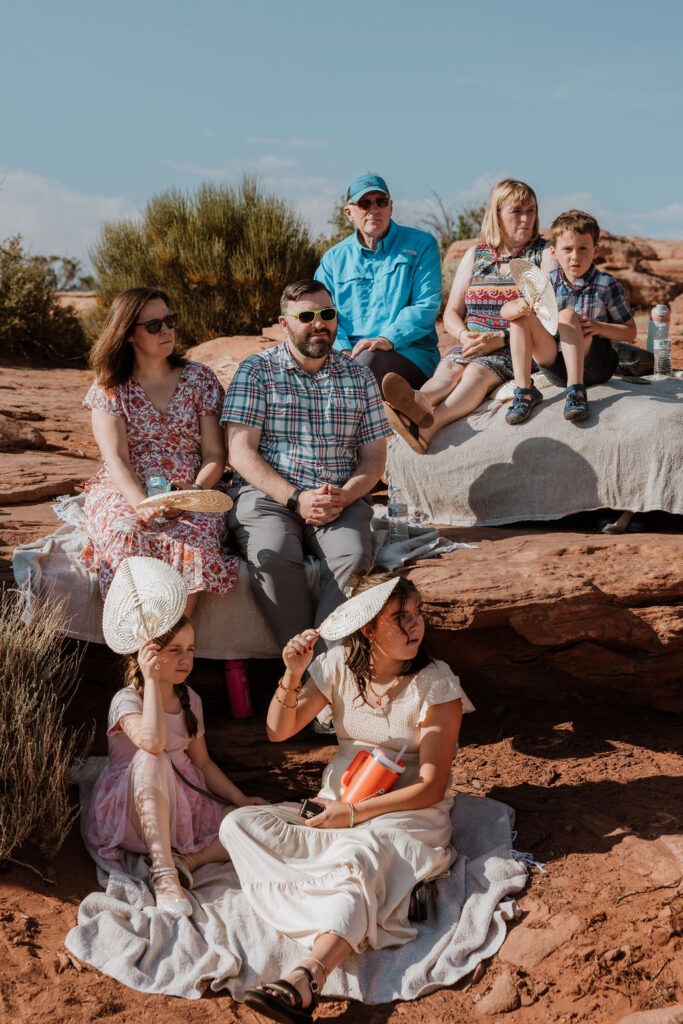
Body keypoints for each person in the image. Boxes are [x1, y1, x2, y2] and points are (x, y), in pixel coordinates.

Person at [220, 573, 474, 1022]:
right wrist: (293, 673)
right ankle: (380, 894)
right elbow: (279, 730)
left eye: (416, 615)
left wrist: (353, 814)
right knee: (238, 825)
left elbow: (433, 785)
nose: (414, 627)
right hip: (336, 803)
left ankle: (306, 977)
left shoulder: (436, 683)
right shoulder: (337, 665)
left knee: (360, 854)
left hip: (404, 811)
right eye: (400, 619)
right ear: (367, 629)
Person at [221, 279, 393, 651]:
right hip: (269, 495)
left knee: (354, 556)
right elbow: (240, 452)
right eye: (307, 316)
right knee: (275, 557)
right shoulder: (257, 371)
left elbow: (375, 456)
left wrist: (345, 496)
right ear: (284, 324)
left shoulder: (359, 375)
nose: (320, 323)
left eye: (327, 314)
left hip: (337, 497)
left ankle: (314, 673)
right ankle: (315, 674)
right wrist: (297, 498)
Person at [84, 614, 266, 914]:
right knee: (152, 756)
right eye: (174, 650)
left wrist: (239, 799)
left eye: (191, 649)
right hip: (133, 816)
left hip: (182, 815)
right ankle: (164, 872)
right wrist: (152, 681)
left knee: (247, 822)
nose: (186, 659)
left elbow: (203, 764)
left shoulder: (190, 699)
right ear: (147, 654)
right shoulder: (126, 700)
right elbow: (153, 743)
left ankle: (189, 861)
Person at [82, 287, 238, 613]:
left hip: (192, 488)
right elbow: (115, 458)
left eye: (170, 321)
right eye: (154, 326)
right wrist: (141, 505)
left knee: (194, 547)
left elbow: (214, 456)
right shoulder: (110, 386)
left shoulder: (200, 379)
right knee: (125, 539)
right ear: (128, 335)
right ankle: (140, 648)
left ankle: (171, 646)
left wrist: (193, 493)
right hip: (128, 490)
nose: (166, 331)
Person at [381, 179, 555, 452]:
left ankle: (430, 425)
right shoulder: (477, 254)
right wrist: (463, 334)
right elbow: (451, 312)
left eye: (531, 210)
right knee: (449, 368)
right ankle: (416, 402)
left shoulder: (543, 254)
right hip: (472, 342)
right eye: (517, 211)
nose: (526, 218)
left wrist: (499, 339)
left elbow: (548, 316)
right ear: (497, 215)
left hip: (517, 346)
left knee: (475, 371)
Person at [500, 209, 637, 422]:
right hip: (557, 367)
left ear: (595, 251)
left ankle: (576, 391)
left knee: (567, 316)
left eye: (583, 248)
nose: (575, 256)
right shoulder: (546, 282)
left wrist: (599, 327)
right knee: (521, 319)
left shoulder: (606, 284)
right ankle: (525, 390)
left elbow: (630, 332)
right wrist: (518, 306)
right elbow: (505, 312)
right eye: (568, 249)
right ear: (554, 252)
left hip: (595, 363)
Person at [315, 173, 442, 390]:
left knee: (364, 366)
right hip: (350, 354)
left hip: (409, 353)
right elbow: (322, 312)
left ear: (390, 207)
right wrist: (343, 350)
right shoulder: (333, 259)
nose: (374, 209)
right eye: (364, 204)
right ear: (349, 212)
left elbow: (426, 306)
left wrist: (387, 339)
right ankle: (398, 415)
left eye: (380, 202)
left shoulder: (422, 245)